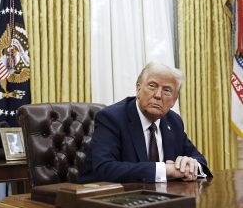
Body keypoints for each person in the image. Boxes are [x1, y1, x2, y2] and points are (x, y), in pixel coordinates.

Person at [79, 62, 212, 183]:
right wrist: (165, 170)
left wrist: (191, 165)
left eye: (167, 90)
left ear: (174, 100)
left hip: (160, 199)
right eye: (152, 86)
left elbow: (200, 160)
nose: (158, 95)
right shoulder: (111, 118)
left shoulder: (174, 121)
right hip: (104, 199)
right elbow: (105, 168)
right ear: (138, 89)